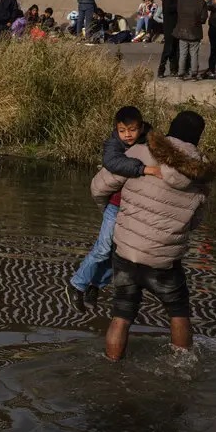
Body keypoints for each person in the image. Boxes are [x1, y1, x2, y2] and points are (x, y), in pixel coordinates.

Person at [92, 111, 216, 360]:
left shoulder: (139, 152)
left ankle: (112, 364)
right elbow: (195, 221)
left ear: (170, 129)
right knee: (179, 311)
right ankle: (182, 365)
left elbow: (98, 187)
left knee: (122, 314)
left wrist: (112, 214)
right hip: (165, 260)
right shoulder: (200, 175)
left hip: (127, 252)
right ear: (198, 138)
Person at [67, 106, 160, 311]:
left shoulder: (152, 142)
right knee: (102, 250)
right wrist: (144, 169)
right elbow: (112, 162)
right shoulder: (113, 144)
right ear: (116, 130)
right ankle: (76, 284)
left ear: (141, 127)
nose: (127, 135)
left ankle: (96, 285)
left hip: (135, 209)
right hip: (115, 207)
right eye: (122, 130)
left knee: (119, 254)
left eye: (132, 130)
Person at [173, 0, 208, 80]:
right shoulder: (202, 3)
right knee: (194, 54)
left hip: (182, 30)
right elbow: (203, 19)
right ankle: (194, 74)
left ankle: (181, 73)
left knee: (183, 53)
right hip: (195, 31)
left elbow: (178, 12)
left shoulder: (181, 0)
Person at [157, 0, 186, 77]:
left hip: (178, 25)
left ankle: (174, 69)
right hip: (169, 25)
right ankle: (161, 70)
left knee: (175, 48)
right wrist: (179, 5)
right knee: (168, 48)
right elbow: (167, 9)